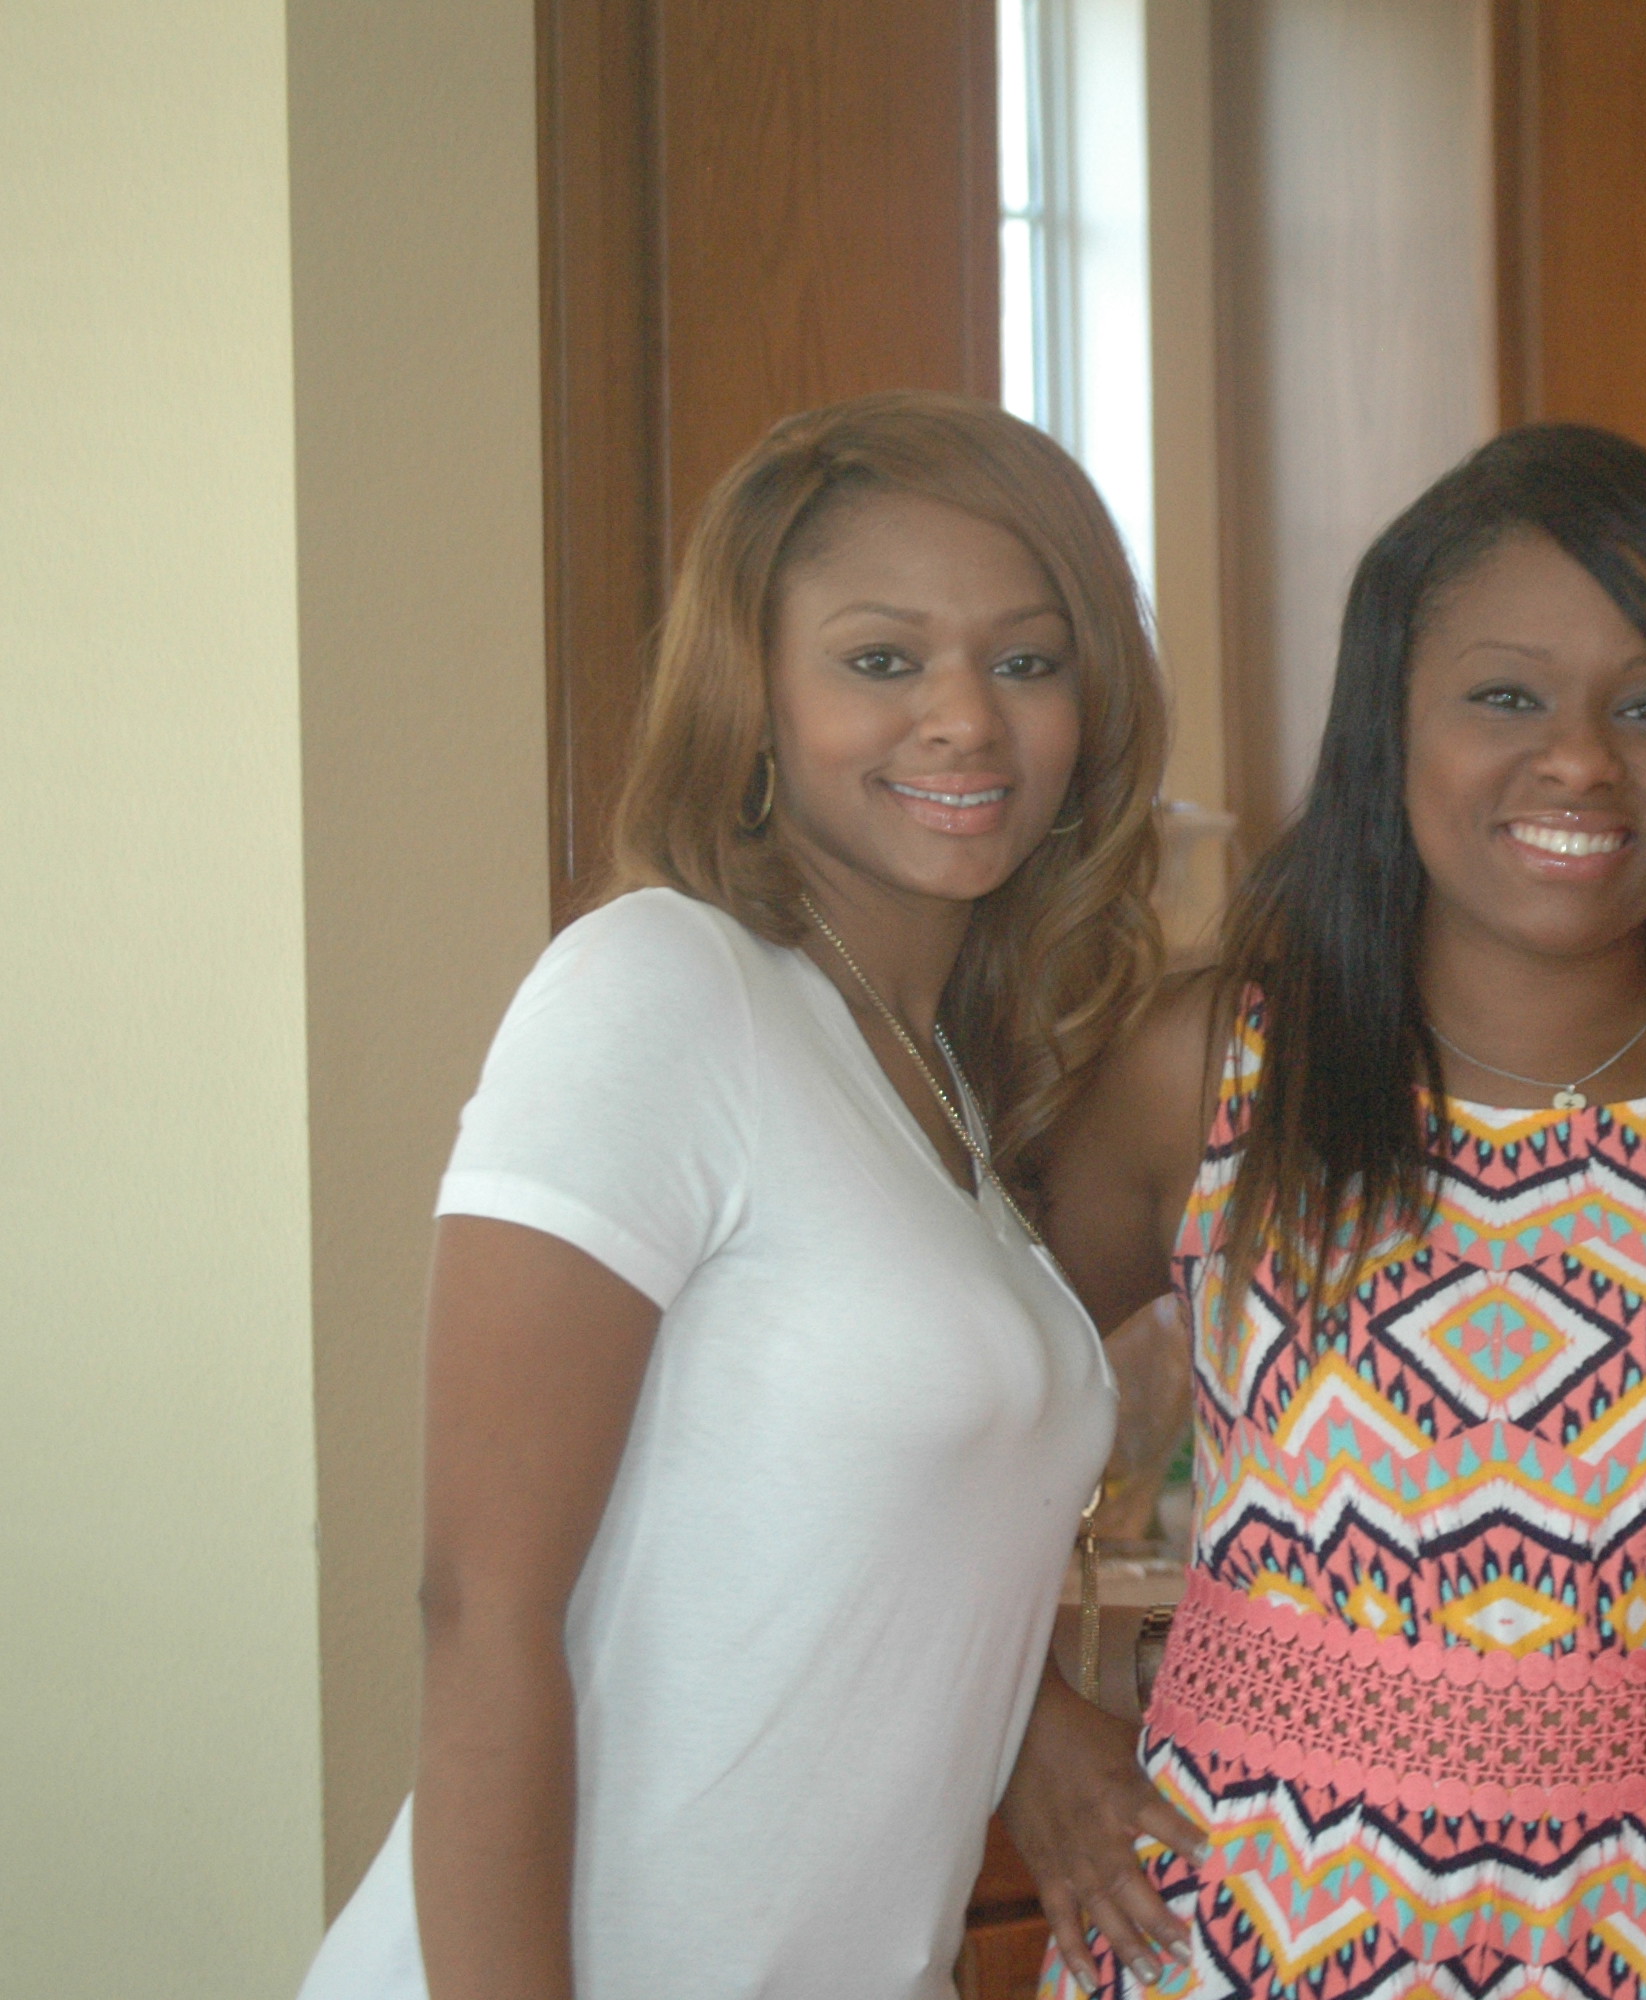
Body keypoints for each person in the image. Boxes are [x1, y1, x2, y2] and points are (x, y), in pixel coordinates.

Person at [1008, 424, 1646, 1999]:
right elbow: (928, 1430)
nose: (1582, 761)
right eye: (1507, 697)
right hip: (1248, 1935)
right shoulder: (1215, 1067)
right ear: (1387, 725)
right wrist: (1029, 1727)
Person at [296, 390, 1167, 2000]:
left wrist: (1034, 1721)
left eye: (1028, 661)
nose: (965, 719)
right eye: (881, 659)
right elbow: (482, 1607)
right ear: (752, 698)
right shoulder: (660, 984)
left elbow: (851, 1531)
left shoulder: (942, 1075)